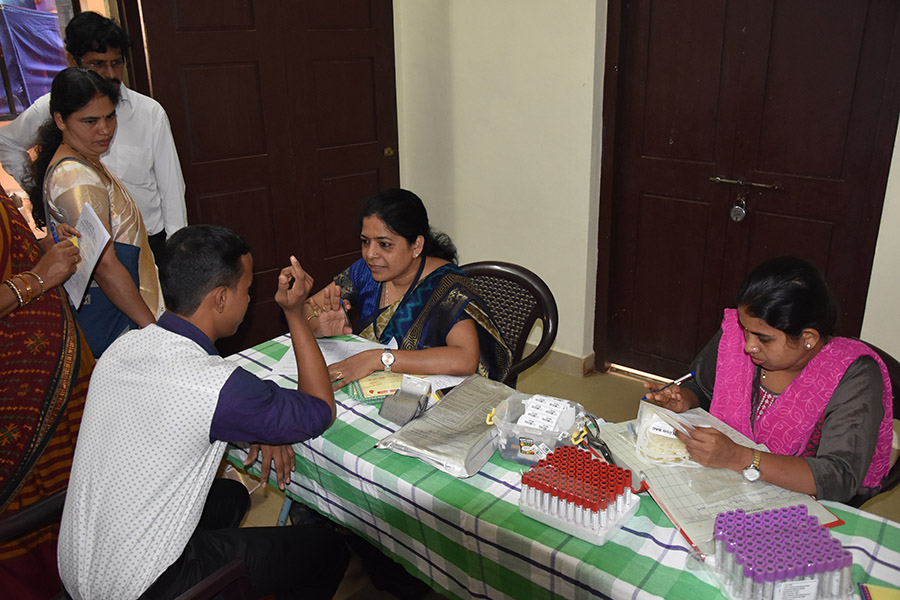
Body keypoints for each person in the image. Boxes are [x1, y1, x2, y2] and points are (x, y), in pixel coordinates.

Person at [57, 225, 349, 600]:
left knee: (232, 495)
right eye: (247, 292)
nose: (249, 300)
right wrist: (294, 313)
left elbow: (177, 413)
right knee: (326, 550)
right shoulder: (215, 385)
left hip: (77, 570)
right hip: (147, 587)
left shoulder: (122, 349)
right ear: (221, 298)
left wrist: (256, 425)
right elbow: (319, 410)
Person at [644, 256, 893, 503]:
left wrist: (740, 458)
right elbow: (704, 386)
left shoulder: (853, 375)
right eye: (746, 331)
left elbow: (839, 477)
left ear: (808, 337)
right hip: (724, 485)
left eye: (764, 338)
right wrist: (684, 399)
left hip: (805, 503)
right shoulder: (738, 335)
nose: (749, 346)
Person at [0, 11, 186, 262]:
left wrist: (176, 251)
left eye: (116, 63)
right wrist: (40, 188)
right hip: (81, 248)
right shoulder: (52, 107)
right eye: (98, 64)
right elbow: (7, 142)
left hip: (147, 243)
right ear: (73, 61)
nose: (110, 74)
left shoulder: (149, 112)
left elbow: (172, 189)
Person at [307, 188, 512, 385]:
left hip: (438, 395)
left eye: (384, 244)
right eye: (365, 241)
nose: (370, 254)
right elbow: (308, 309)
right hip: (378, 387)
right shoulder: (367, 271)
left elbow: (465, 359)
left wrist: (379, 359)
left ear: (416, 246)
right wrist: (319, 327)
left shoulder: (445, 285)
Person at [26, 67, 161, 358]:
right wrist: (152, 329)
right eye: (90, 121)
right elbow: (104, 264)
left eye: (110, 117)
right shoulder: (76, 176)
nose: (105, 129)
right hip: (120, 320)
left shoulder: (84, 160)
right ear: (60, 120)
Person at [1, 186, 93, 600]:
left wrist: (39, 247)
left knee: (73, 519)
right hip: (18, 408)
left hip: (50, 391)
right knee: (26, 538)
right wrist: (38, 278)